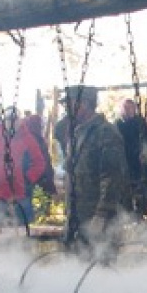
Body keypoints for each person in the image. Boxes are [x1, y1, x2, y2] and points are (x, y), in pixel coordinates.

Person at [55, 85, 129, 244]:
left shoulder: (105, 132)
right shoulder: (76, 132)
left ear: (85, 104)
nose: (67, 109)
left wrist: (102, 214)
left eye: (70, 103)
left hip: (97, 218)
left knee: (99, 259)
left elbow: (112, 177)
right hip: (76, 217)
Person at [0, 110, 48, 227]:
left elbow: (39, 162)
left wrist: (28, 179)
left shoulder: (28, 140)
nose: (11, 123)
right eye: (8, 120)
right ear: (4, 121)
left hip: (22, 195)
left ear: (19, 121)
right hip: (0, 194)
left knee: (24, 230)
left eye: (14, 120)